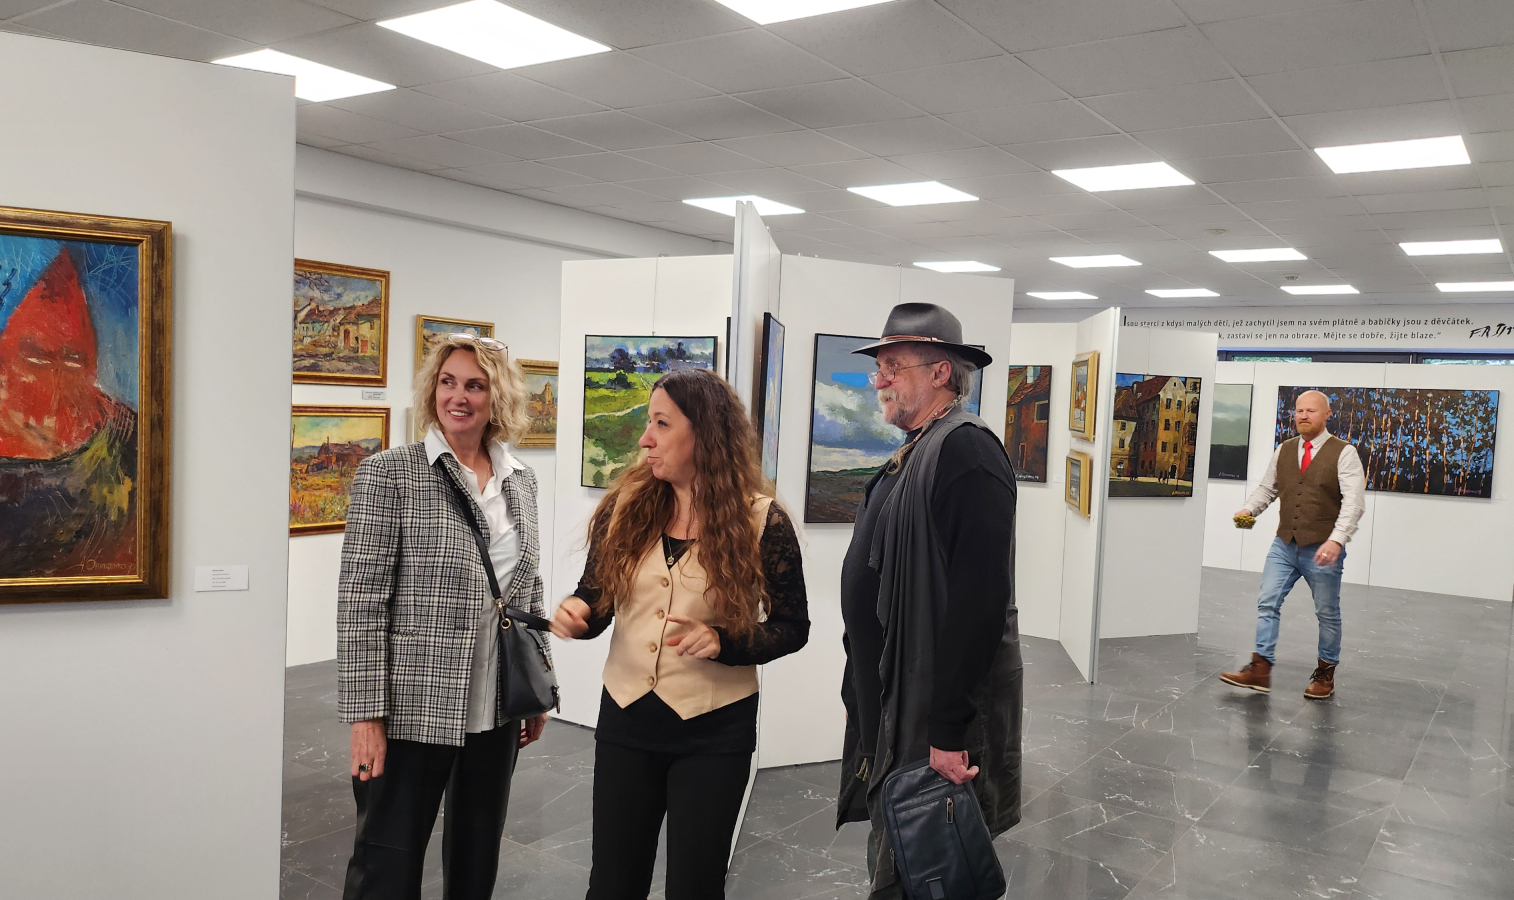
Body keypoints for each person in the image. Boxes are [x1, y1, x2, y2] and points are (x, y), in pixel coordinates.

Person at [547, 366, 809, 900]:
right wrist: (580, 612)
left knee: (695, 886)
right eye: (649, 422)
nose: (646, 438)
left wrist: (725, 642)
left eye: (661, 424)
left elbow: (792, 627)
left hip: (714, 734)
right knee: (613, 884)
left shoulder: (763, 521)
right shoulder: (626, 508)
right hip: (626, 721)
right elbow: (596, 596)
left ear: (705, 434)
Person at [337, 334, 549, 900]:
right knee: (386, 860)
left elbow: (528, 588)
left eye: (475, 386)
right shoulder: (390, 473)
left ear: (496, 398)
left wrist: (537, 685)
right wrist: (365, 716)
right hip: (411, 705)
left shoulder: (521, 480)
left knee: (477, 857)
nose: (459, 397)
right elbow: (361, 602)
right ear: (432, 390)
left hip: (495, 703)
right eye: (448, 382)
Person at [835, 302, 1023, 899]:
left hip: (928, 715)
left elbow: (979, 601)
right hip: (899, 701)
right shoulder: (919, 448)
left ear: (941, 372)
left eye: (893, 366)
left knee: (928, 866)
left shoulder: (968, 453)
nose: (879, 380)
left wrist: (948, 727)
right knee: (904, 857)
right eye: (880, 368)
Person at [1221, 389, 1367, 700]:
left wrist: (1337, 540)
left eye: (1311, 411)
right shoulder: (1284, 450)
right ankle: (1260, 668)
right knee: (1267, 601)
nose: (1303, 416)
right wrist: (1249, 509)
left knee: (1327, 612)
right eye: (1299, 410)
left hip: (1322, 547)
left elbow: (1354, 503)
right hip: (1284, 543)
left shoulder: (1344, 453)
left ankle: (1325, 673)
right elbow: (1267, 488)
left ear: (1327, 415)